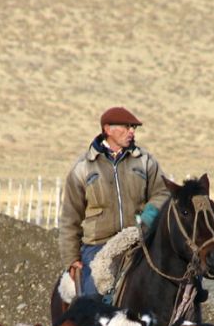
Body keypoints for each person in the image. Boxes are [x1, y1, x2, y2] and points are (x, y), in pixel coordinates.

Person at [59, 106, 170, 296]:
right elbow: (70, 217)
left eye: (133, 128)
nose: (132, 132)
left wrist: (148, 216)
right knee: (93, 294)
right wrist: (71, 258)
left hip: (138, 240)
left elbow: (162, 192)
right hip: (98, 245)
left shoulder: (145, 161)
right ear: (108, 129)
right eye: (126, 127)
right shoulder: (83, 168)